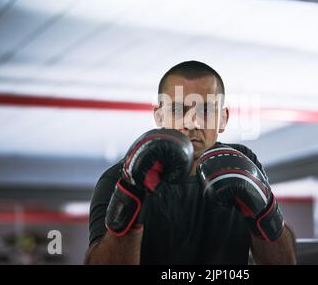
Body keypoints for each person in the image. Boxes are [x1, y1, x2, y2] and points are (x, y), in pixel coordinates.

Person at [85, 61, 297, 264]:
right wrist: (132, 195)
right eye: (178, 110)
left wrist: (263, 210)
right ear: (158, 116)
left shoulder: (243, 162)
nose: (193, 122)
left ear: (223, 118)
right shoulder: (119, 178)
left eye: (206, 110)